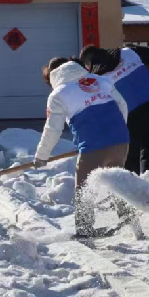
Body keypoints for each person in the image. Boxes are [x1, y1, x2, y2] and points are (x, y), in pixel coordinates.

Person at [33, 57, 130, 237]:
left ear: (52, 77)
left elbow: (53, 129)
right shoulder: (101, 80)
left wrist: (42, 155)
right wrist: (117, 132)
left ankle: (85, 230)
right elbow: (122, 105)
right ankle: (131, 222)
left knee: (84, 188)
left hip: (93, 144)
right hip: (121, 140)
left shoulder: (58, 94)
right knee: (117, 181)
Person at [79, 44, 149, 178]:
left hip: (131, 111)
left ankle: (132, 187)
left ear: (87, 64)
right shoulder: (128, 52)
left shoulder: (95, 77)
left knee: (130, 151)